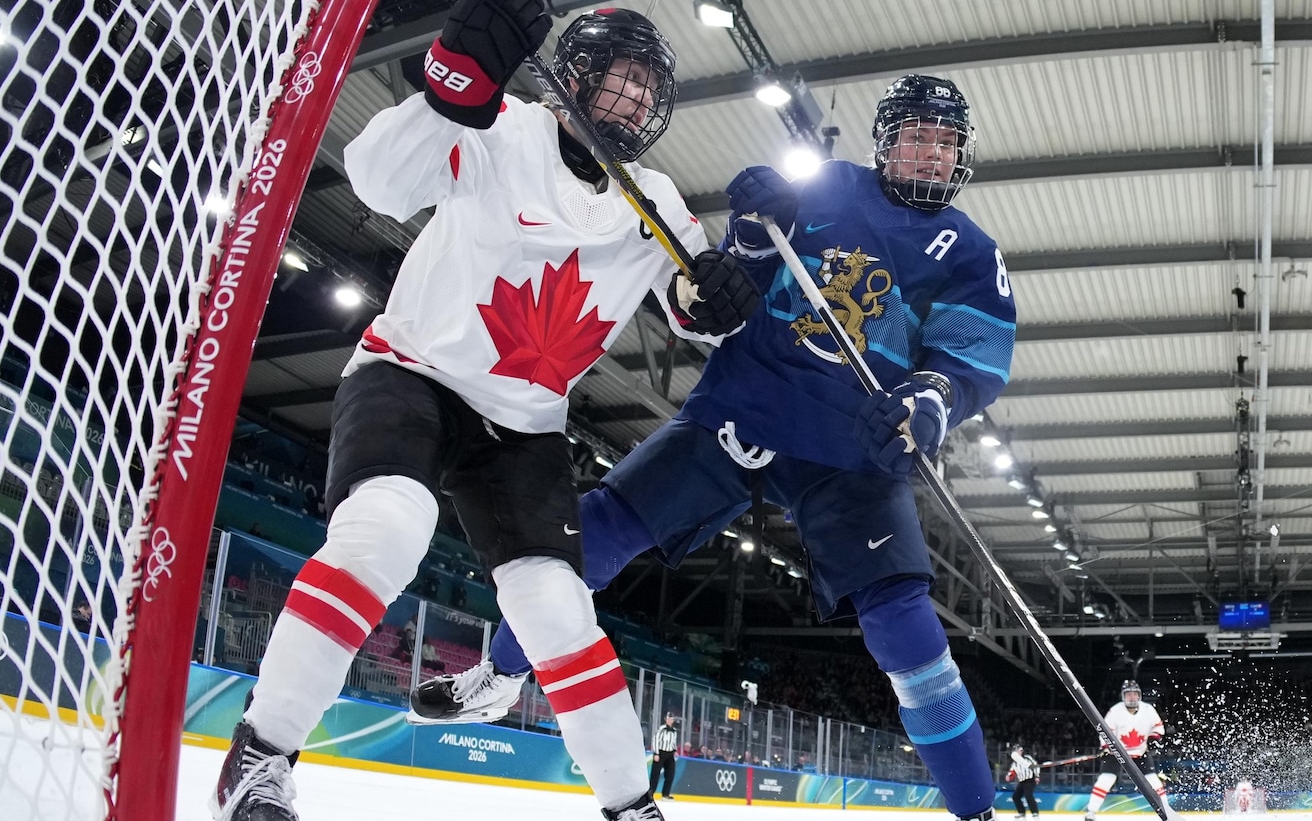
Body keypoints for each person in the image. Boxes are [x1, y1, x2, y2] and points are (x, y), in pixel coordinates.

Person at [210, 0, 758, 821]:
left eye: (647, 93)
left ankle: (632, 807)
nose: (633, 105)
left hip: (525, 428)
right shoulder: (502, 126)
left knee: (558, 613)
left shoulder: (652, 196)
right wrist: (447, 87)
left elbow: (691, 297)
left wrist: (720, 295)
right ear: (572, 78)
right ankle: (261, 754)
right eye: (619, 84)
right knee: (387, 530)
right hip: (413, 373)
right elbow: (379, 181)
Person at [413, 74, 1017, 821]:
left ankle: (975, 810)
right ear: (887, 142)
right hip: (744, 406)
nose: (930, 152)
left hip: (852, 449)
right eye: (916, 136)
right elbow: (732, 288)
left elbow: (972, 357)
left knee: (904, 623)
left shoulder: (970, 251)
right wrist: (754, 232)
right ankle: (502, 676)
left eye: (943, 140)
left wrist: (931, 399)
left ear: (960, 154)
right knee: (589, 540)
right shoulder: (826, 185)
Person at [1083, 681, 1168, 821]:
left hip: (1140, 753)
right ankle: (1091, 812)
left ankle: (1166, 810)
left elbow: (1158, 729)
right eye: (1129, 694)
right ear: (1123, 696)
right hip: (1117, 753)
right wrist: (1106, 747)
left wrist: (1153, 740)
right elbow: (1104, 732)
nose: (1132, 697)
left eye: (1135, 694)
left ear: (1139, 696)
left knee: (1153, 781)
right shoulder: (1115, 711)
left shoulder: (1149, 710)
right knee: (1105, 780)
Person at [649, 713, 680, 799]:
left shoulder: (674, 730)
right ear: (665, 719)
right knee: (655, 774)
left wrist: (675, 751)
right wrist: (656, 753)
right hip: (661, 752)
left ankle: (665, 794)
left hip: (670, 754)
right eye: (668, 719)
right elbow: (655, 740)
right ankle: (650, 793)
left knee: (670, 773)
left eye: (671, 719)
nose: (670, 720)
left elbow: (674, 742)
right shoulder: (661, 729)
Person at [1005, 744, 1040, 819]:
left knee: (1028, 795)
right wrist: (1008, 776)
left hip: (1030, 779)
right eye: (1017, 751)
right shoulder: (1014, 763)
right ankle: (1021, 812)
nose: (1019, 752)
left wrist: (1037, 776)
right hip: (1022, 781)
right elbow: (1012, 771)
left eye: (1020, 751)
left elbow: (1035, 766)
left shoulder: (1027, 758)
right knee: (1015, 797)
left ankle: (1035, 813)